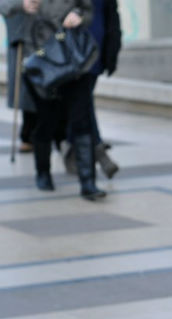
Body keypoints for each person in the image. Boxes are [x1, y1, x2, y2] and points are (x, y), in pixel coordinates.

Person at [1, 0, 106, 200]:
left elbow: (88, 10)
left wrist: (78, 16)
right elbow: (4, 6)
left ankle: (88, 182)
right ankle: (43, 172)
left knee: (81, 119)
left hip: (73, 57)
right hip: (41, 59)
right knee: (47, 120)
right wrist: (21, 5)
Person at [62, 0, 122, 180]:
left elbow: (111, 15)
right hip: (72, 49)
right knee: (82, 102)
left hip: (96, 48)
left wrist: (112, 48)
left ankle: (72, 148)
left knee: (82, 102)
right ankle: (98, 151)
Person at [3, 10, 36, 153]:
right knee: (25, 92)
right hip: (21, 41)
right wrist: (22, 4)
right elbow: (5, 6)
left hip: (43, 40)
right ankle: (27, 136)